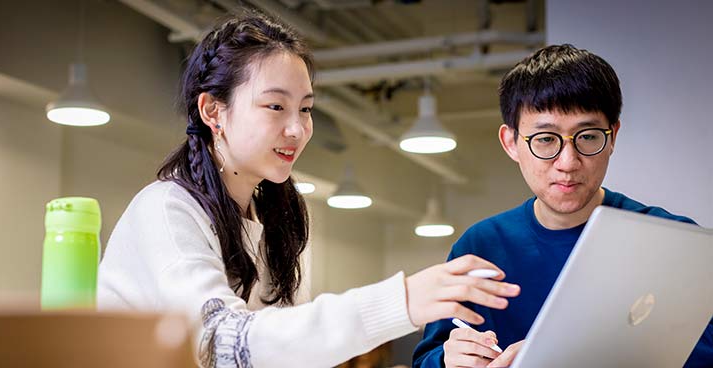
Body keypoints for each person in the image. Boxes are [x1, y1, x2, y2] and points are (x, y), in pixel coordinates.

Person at [97, 12, 521, 368]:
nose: (297, 128)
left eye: (305, 108)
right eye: (276, 106)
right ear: (213, 110)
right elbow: (223, 345)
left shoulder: (272, 219)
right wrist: (403, 300)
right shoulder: (167, 209)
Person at [412, 44, 713, 368]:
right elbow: (427, 360)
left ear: (613, 137)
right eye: (545, 139)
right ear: (511, 142)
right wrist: (447, 359)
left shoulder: (673, 243)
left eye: (587, 137)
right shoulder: (479, 247)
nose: (568, 163)